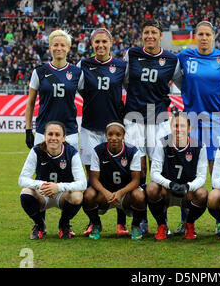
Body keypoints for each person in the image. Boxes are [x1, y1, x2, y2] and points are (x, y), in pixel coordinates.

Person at [175, 20, 220, 234]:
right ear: (195, 36)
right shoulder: (184, 56)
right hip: (191, 123)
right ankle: (186, 221)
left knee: (217, 173)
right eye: (200, 34)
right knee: (187, 174)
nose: (204, 38)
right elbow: (180, 81)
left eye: (208, 34)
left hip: (216, 122)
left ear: (213, 36)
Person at [123, 19, 181, 234]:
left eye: (154, 32)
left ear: (160, 35)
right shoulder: (132, 54)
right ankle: (140, 219)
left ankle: (161, 220)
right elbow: (126, 81)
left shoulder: (171, 59)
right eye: (146, 32)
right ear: (142, 35)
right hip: (135, 119)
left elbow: (182, 84)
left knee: (160, 170)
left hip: (160, 120)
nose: (149, 36)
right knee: (139, 171)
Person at [77, 28, 129, 235]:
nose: (100, 45)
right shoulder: (84, 65)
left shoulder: (121, 66)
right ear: (92, 44)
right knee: (92, 177)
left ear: (111, 43)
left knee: (121, 175)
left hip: (114, 129)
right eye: (96, 42)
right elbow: (81, 90)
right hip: (90, 128)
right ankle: (94, 222)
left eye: (104, 42)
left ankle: (121, 223)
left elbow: (128, 90)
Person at [18, 121, 87, 240]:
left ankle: (64, 224)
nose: (53, 138)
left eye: (57, 134)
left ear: (64, 137)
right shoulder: (36, 151)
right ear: (44, 136)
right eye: (50, 134)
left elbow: (83, 183)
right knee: (25, 193)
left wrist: (58, 187)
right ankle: (39, 225)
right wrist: (42, 184)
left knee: (77, 196)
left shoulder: (71, 152)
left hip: (63, 195)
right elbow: (22, 179)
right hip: (43, 193)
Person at [146, 112, 208, 241]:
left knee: (202, 194)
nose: (179, 129)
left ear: (189, 128)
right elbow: (154, 173)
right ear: (171, 127)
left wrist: (188, 186)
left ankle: (189, 224)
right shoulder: (162, 143)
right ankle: (162, 225)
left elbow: (202, 177)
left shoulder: (199, 146)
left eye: (183, 126)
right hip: (167, 191)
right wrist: (170, 184)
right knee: (151, 188)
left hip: (187, 192)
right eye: (175, 126)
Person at [82, 121, 147, 240]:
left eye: (118, 134)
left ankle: (135, 225)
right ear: (106, 135)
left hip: (125, 194)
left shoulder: (133, 151)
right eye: (110, 134)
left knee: (140, 195)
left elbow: (136, 181)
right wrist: (105, 192)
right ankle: (96, 224)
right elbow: (93, 179)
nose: (114, 138)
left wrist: (120, 192)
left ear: (123, 136)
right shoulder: (98, 151)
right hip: (105, 194)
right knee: (88, 195)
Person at [25, 29, 84, 151]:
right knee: (42, 170)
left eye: (62, 45)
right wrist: (28, 130)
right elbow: (30, 102)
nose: (59, 48)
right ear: (50, 47)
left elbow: (89, 100)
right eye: (55, 45)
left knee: (69, 170)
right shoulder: (39, 72)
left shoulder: (77, 73)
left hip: (69, 132)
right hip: (43, 131)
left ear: (68, 48)